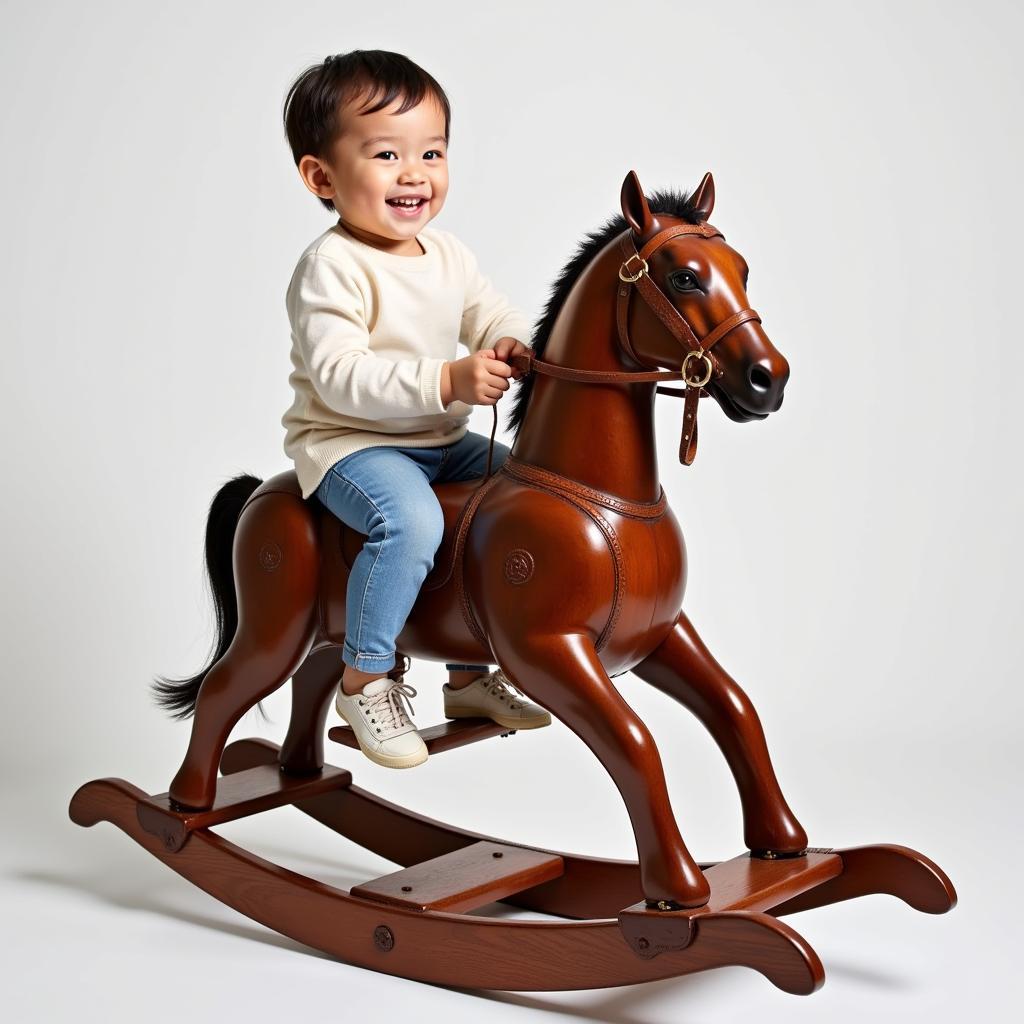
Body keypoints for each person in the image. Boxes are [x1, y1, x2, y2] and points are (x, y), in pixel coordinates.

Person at [280, 50, 551, 770]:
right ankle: (367, 678)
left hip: (439, 437)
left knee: (528, 491)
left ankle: (467, 675)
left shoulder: (446, 253)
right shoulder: (332, 266)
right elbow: (340, 377)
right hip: (350, 444)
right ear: (322, 177)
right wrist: (450, 380)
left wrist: (515, 342)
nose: (415, 173)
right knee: (412, 522)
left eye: (431, 151)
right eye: (386, 154)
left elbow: (488, 308)